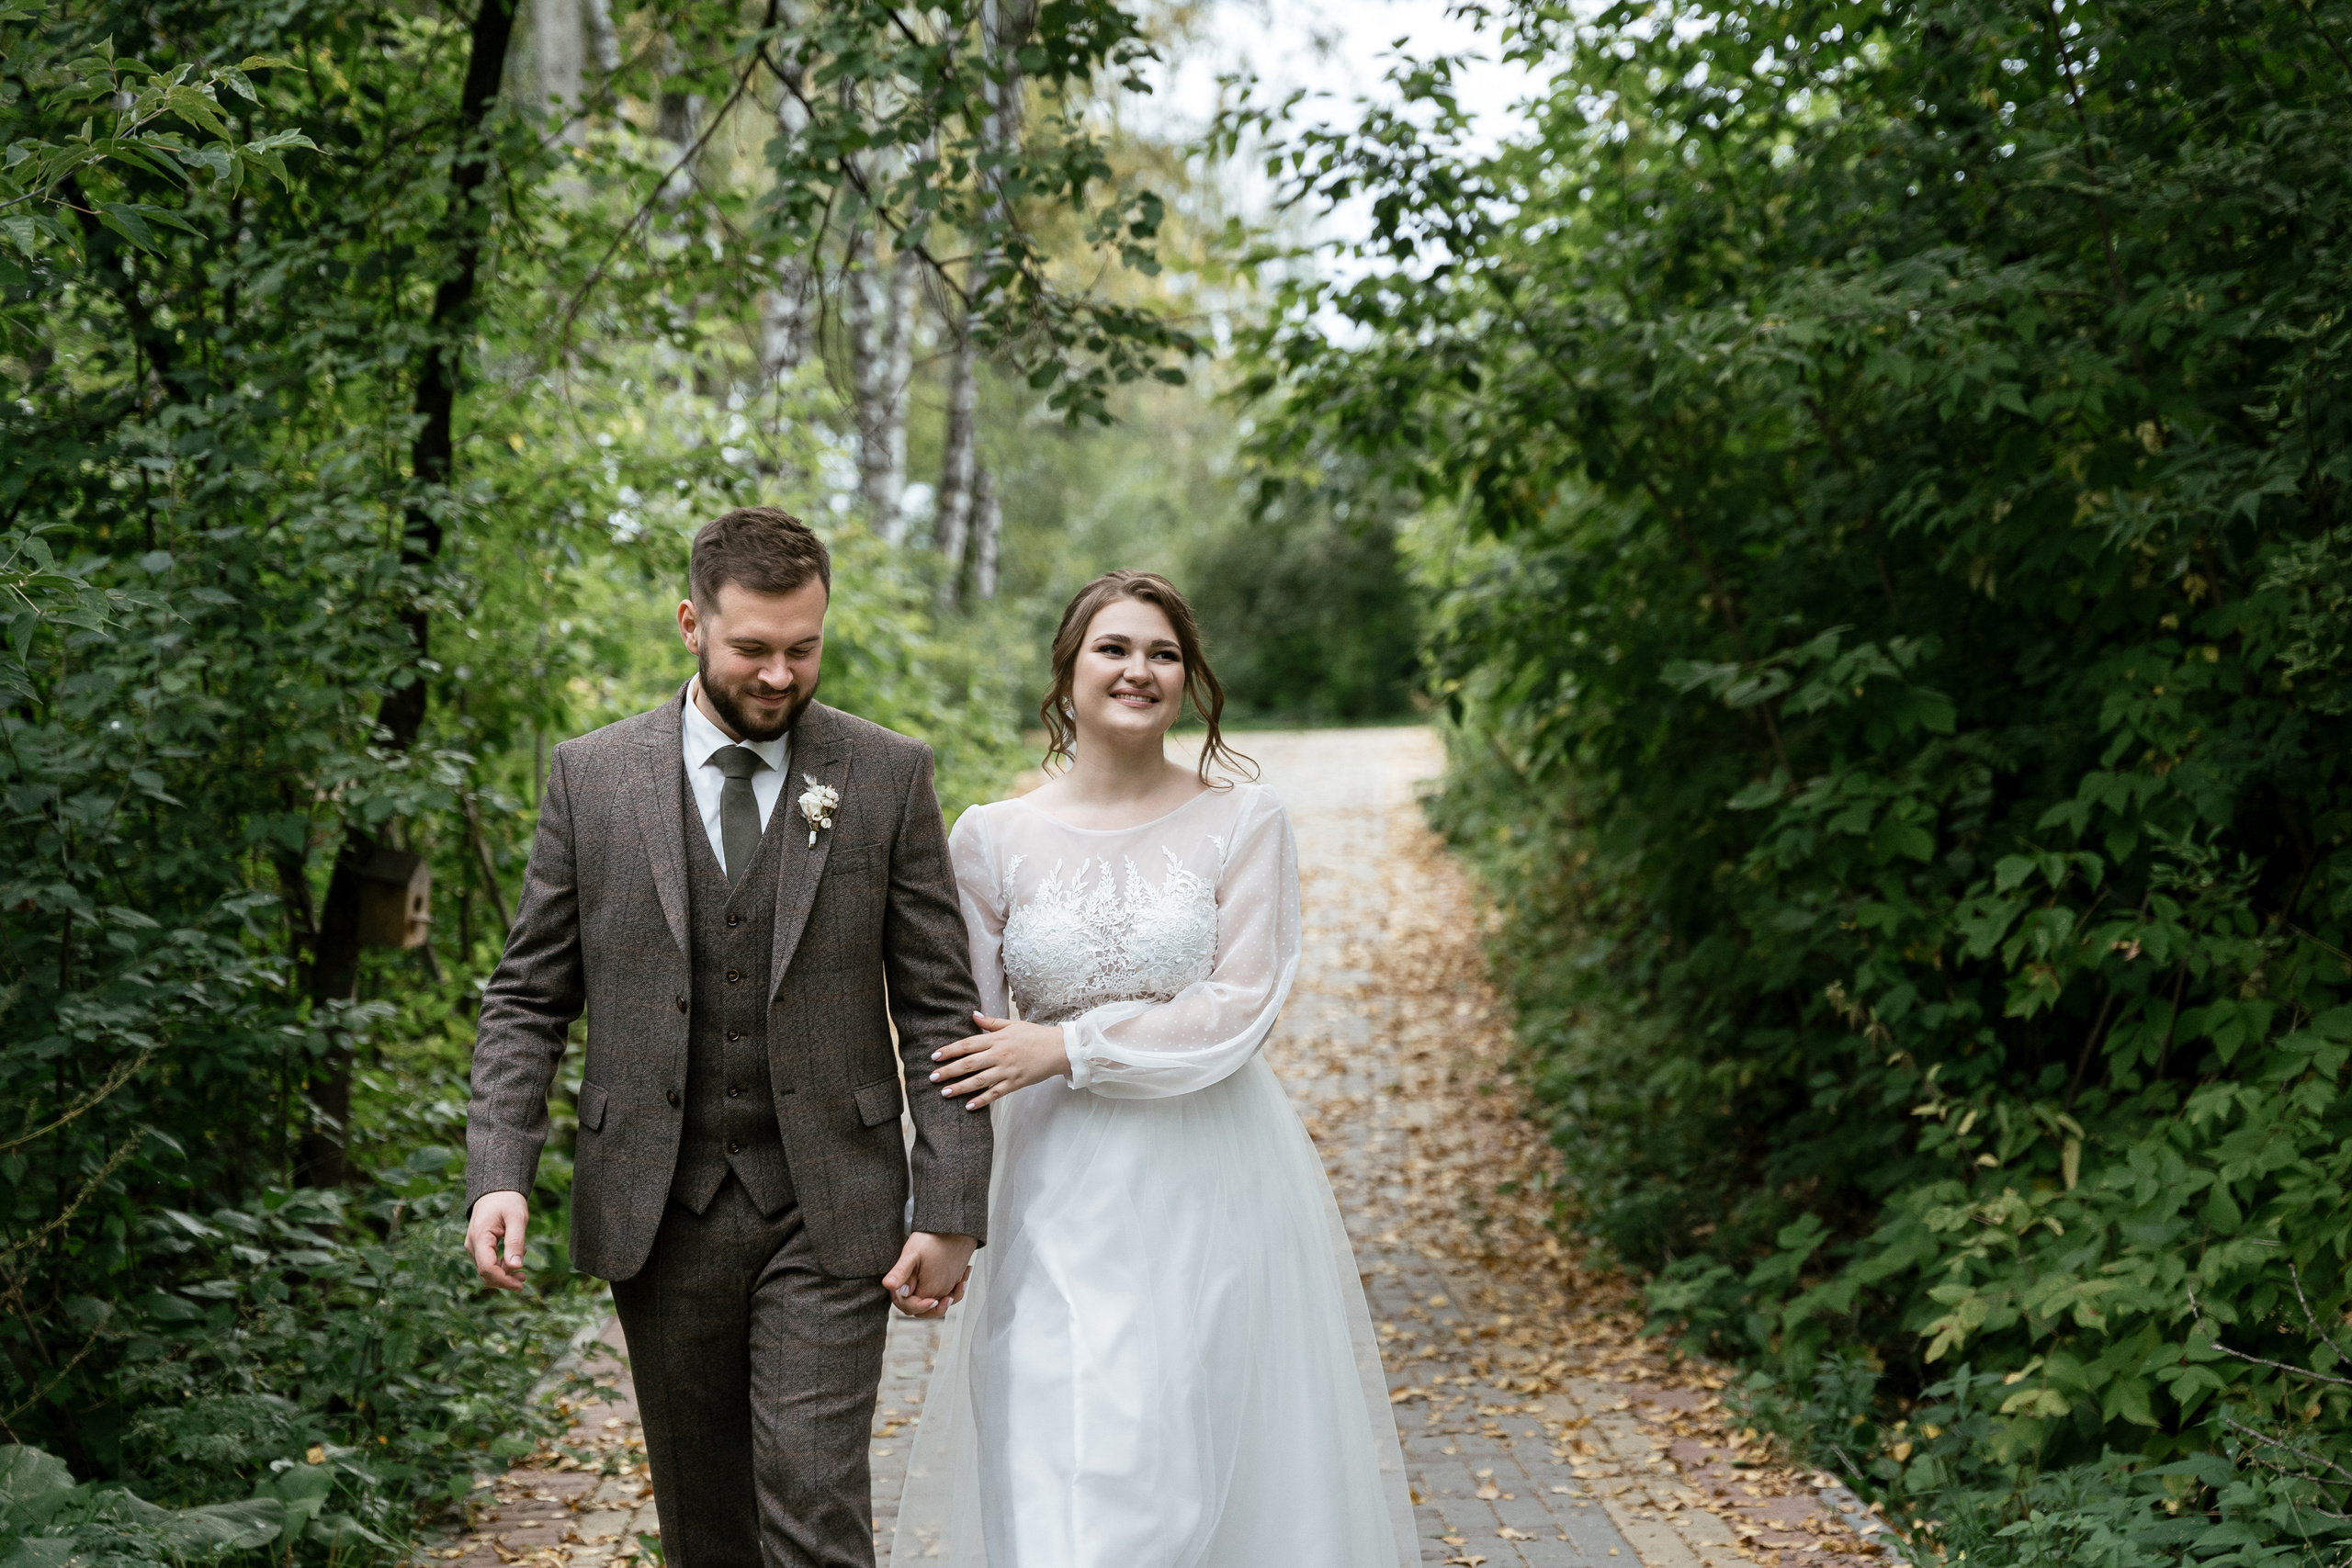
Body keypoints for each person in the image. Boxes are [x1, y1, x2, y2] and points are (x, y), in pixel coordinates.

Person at [463, 506, 991, 1568]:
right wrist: (498, 1170)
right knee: (705, 1527)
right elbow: (527, 995)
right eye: (752, 646)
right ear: (689, 624)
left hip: (831, 1203)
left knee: (813, 1502)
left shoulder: (887, 776)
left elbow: (940, 1008)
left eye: (804, 646)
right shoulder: (592, 777)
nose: (780, 673)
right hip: (659, 1208)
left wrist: (950, 1205)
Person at [890, 570, 1418, 1568]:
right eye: (1115, 648)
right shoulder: (989, 839)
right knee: (1059, 1446)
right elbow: (954, 1034)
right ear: (1068, 671)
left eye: (1163, 653)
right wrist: (944, 1209)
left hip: (1205, 1172)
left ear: (1189, 680)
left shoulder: (1244, 822)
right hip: (1048, 1188)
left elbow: (1240, 1003)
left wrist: (1070, 1046)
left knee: (1186, 1438)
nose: (1139, 670)